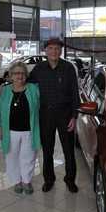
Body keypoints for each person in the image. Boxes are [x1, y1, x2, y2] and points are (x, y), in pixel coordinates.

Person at [29, 38, 80, 193]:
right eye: (50, 48)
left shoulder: (68, 68)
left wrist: (74, 116)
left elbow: (74, 93)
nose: (54, 51)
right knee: (48, 150)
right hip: (45, 114)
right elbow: (27, 85)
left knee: (68, 150)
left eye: (57, 48)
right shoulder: (39, 68)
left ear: (61, 51)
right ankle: (49, 179)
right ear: (45, 50)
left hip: (65, 114)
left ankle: (70, 179)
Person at [0, 62, 41, 194]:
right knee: (11, 157)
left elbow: (42, 106)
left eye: (22, 73)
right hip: (10, 131)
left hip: (29, 131)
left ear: (26, 75)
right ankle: (16, 182)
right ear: (11, 76)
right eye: (16, 73)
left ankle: (26, 181)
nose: (19, 76)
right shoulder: (5, 90)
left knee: (28, 157)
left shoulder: (33, 88)